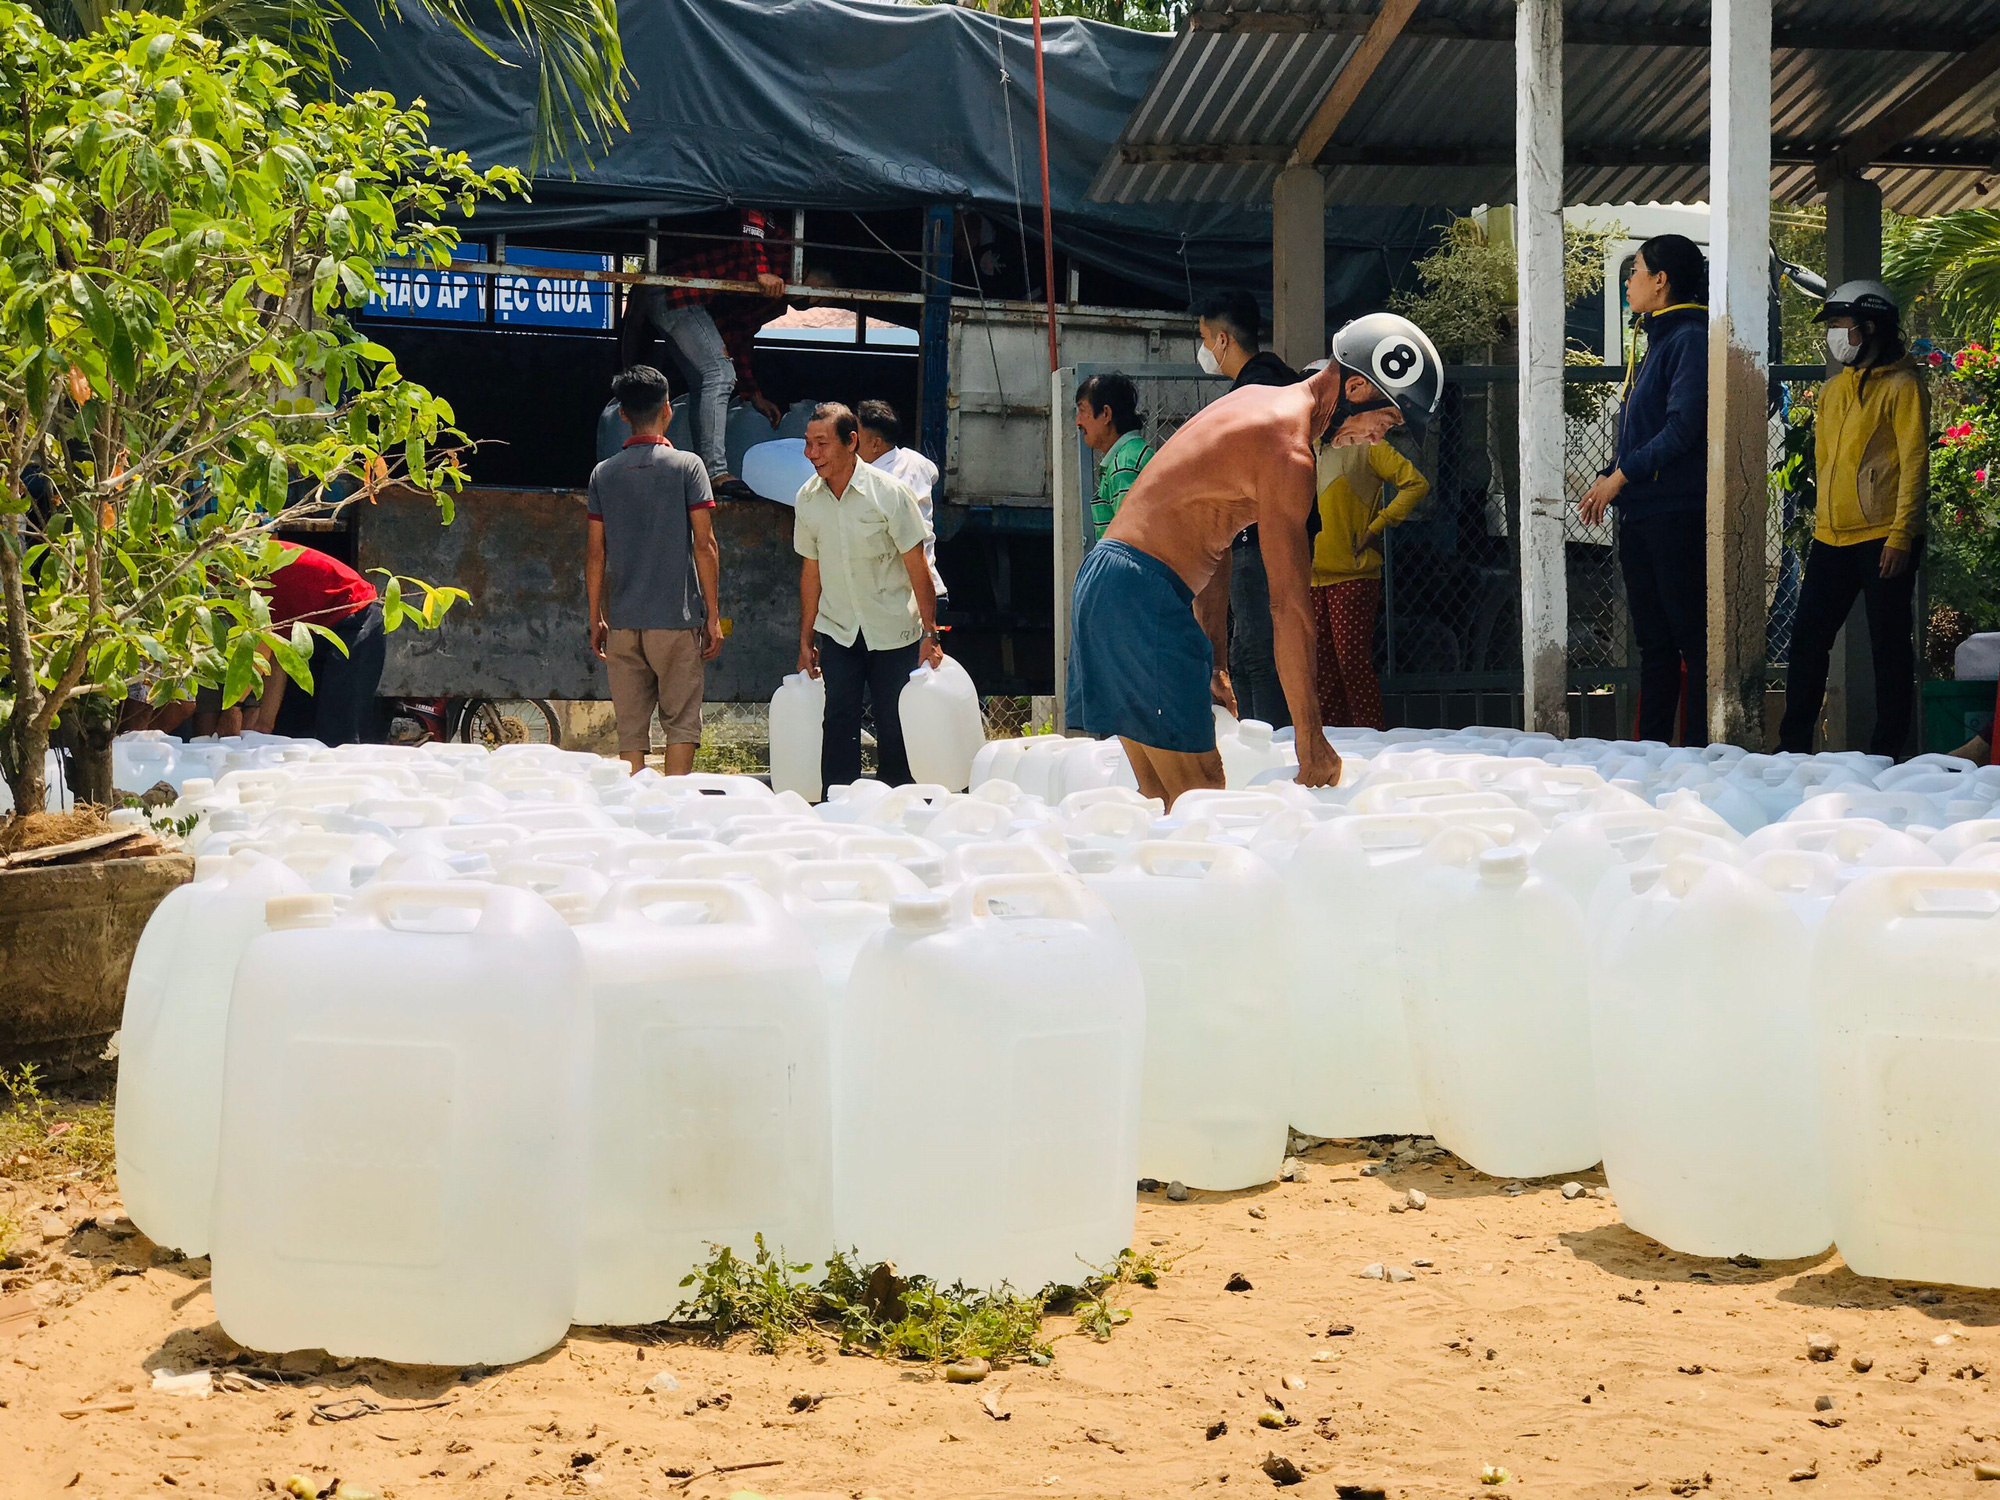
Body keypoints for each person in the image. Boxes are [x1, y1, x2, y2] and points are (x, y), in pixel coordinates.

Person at [1068, 313, 1444, 807]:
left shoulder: (1256, 401)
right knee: (1204, 809)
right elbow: (1289, 608)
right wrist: (1310, 739)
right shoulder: (1289, 453)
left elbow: (1216, 544)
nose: (1377, 438)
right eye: (1387, 422)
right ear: (1356, 388)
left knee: (1160, 806)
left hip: (1108, 582)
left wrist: (1215, 661)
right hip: (1143, 594)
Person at [1777, 281, 1930, 756]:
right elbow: (1825, 464)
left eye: (1842, 326)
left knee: (1888, 648)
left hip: (1886, 536)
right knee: (1806, 643)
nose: (1836, 336)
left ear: (1870, 327)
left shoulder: (1905, 386)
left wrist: (1902, 535)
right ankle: (1792, 747)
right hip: (1831, 538)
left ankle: (1887, 752)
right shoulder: (1832, 390)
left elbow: (1915, 463)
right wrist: (1822, 524)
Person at [1578, 234, 1710, 746]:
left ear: (1661, 280)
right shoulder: (1658, 338)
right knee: (1654, 645)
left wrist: (1619, 476)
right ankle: (1653, 749)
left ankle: (1699, 748)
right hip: (1641, 512)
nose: (1628, 280)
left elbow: (1682, 429)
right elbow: (1641, 424)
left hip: (1673, 511)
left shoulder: (1689, 339)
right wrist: (1613, 474)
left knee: (1688, 643)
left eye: (1635, 269)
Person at [795, 403, 943, 790]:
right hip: (840, 630)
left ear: (852, 443)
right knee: (838, 721)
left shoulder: (890, 493)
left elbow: (917, 566)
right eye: (808, 444)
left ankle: (897, 807)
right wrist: (806, 639)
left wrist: (931, 633)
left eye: (822, 444)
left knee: (895, 724)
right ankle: (839, 805)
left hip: (894, 630)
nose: (812, 454)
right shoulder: (807, 499)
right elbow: (811, 571)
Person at [585, 365, 724, 776]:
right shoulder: (689, 467)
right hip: (676, 623)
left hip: (625, 625)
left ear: (622, 414)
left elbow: (595, 553)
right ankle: (674, 811)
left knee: (631, 733)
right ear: (669, 409)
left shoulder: (603, 474)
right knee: (681, 725)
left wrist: (595, 616)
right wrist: (712, 615)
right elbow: (705, 544)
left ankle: (635, 816)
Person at [1192, 288, 1304, 728]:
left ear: (1223, 339)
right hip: (1256, 535)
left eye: (1204, 339)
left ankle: (1272, 745)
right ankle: (1259, 741)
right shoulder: (1269, 380)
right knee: (1246, 652)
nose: (1204, 350)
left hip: (1261, 535)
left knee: (1258, 651)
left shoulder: (1259, 387)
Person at [636, 209, 789, 495]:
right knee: (719, 374)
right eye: (816, 295)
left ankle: (700, 471)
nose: (809, 302)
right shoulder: (778, 241)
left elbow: (737, 334)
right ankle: (715, 471)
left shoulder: (774, 298)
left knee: (703, 380)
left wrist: (753, 394)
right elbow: (752, 223)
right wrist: (762, 271)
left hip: (678, 296)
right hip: (677, 290)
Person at [1310, 438, 1429, 730]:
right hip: (1311, 576)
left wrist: (1377, 525)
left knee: (1351, 663)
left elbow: (1416, 483)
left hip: (1354, 574)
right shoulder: (1305, 446)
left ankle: (1369, 735)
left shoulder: (1366, 445)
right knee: (1321, 669)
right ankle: (1331, 737)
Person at [243, 542, 386, 747]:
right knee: (295, 731)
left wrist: (234, 707)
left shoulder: (244, 576)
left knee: (339, 732)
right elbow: (278, 656)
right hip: (314, 627)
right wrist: (265, 724)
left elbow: (261, 652)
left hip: (356, 613)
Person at [854, 400, 947, 609]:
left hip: (903, 597)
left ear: (876, 444)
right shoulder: (914, 460)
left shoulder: (878, 483)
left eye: (854, 437)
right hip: (929, 587)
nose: (849, 442)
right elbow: (933, 473)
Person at [1074, 372, 1153, 539]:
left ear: (1106, 414)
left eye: (1082, 410)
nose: (1078, 422)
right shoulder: (1129, 456)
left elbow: (1129, 540)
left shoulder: (1125, 465)